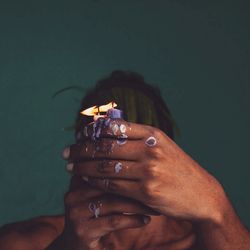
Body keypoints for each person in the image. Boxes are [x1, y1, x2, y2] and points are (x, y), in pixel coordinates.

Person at [0, 71, 249, 250]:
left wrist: (217, 209)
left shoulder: (211, 241)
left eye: (137, 148)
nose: (118, 159)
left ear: (169, 158)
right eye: (100, 143)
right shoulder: (26, 241)